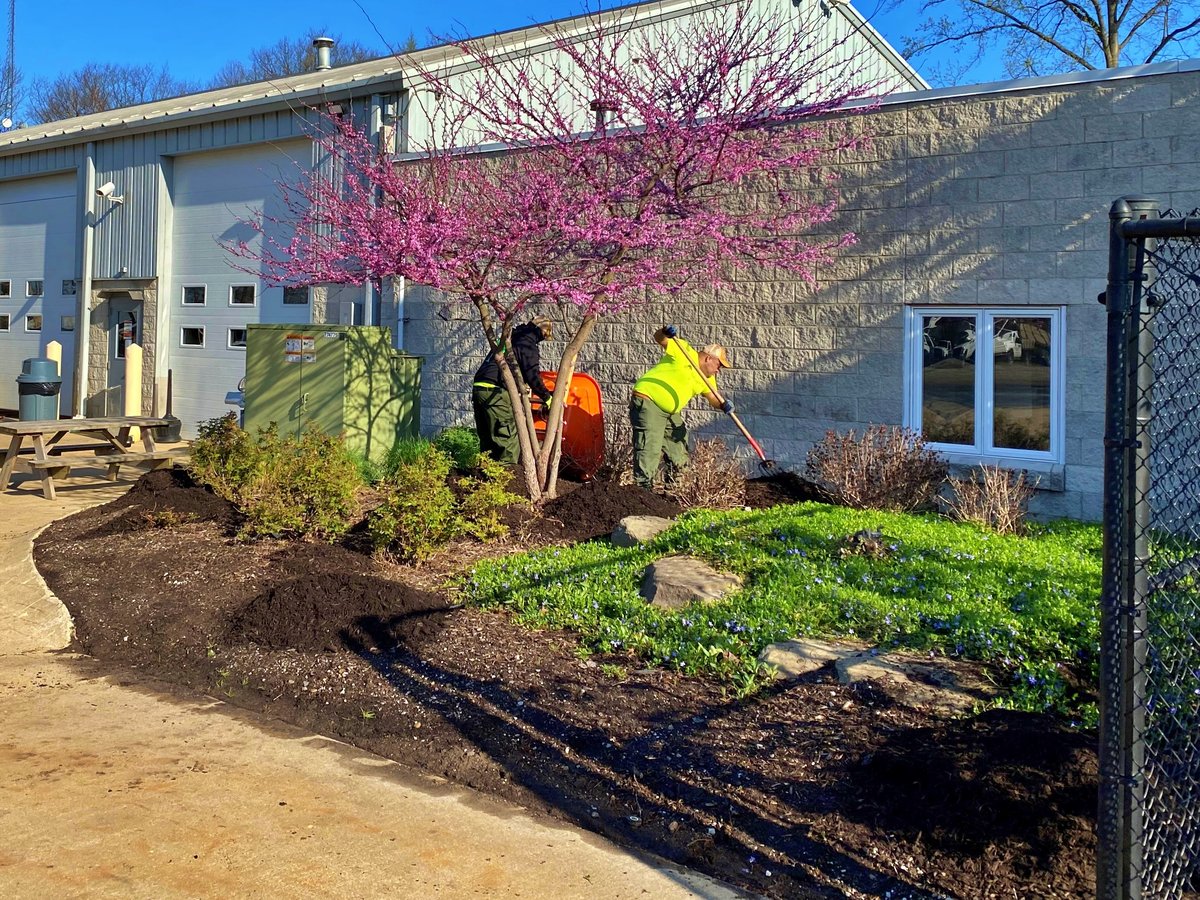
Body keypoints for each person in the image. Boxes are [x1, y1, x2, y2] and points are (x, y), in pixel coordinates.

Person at [629, 325, 732, 489]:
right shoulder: (684, 351)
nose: (719, 370)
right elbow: (659, 338)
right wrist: (664, 332)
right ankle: (643, 491)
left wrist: (724, 405)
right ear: (708, 358)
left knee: (678, 446)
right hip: (649, 401)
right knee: (650, 447)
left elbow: (713, 397)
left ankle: (674, 490)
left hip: (670, 412)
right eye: (719, 365)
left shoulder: (707, 378)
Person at [472, 315, 554, 463]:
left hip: (479, 388)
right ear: (542, 333)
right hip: (496, 392)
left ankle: (486, 478)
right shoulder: (527, 344)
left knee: (488, 440)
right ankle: (506, 479)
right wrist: (547, 398)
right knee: (506, 438)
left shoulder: (511, 337)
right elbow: (532, 375)